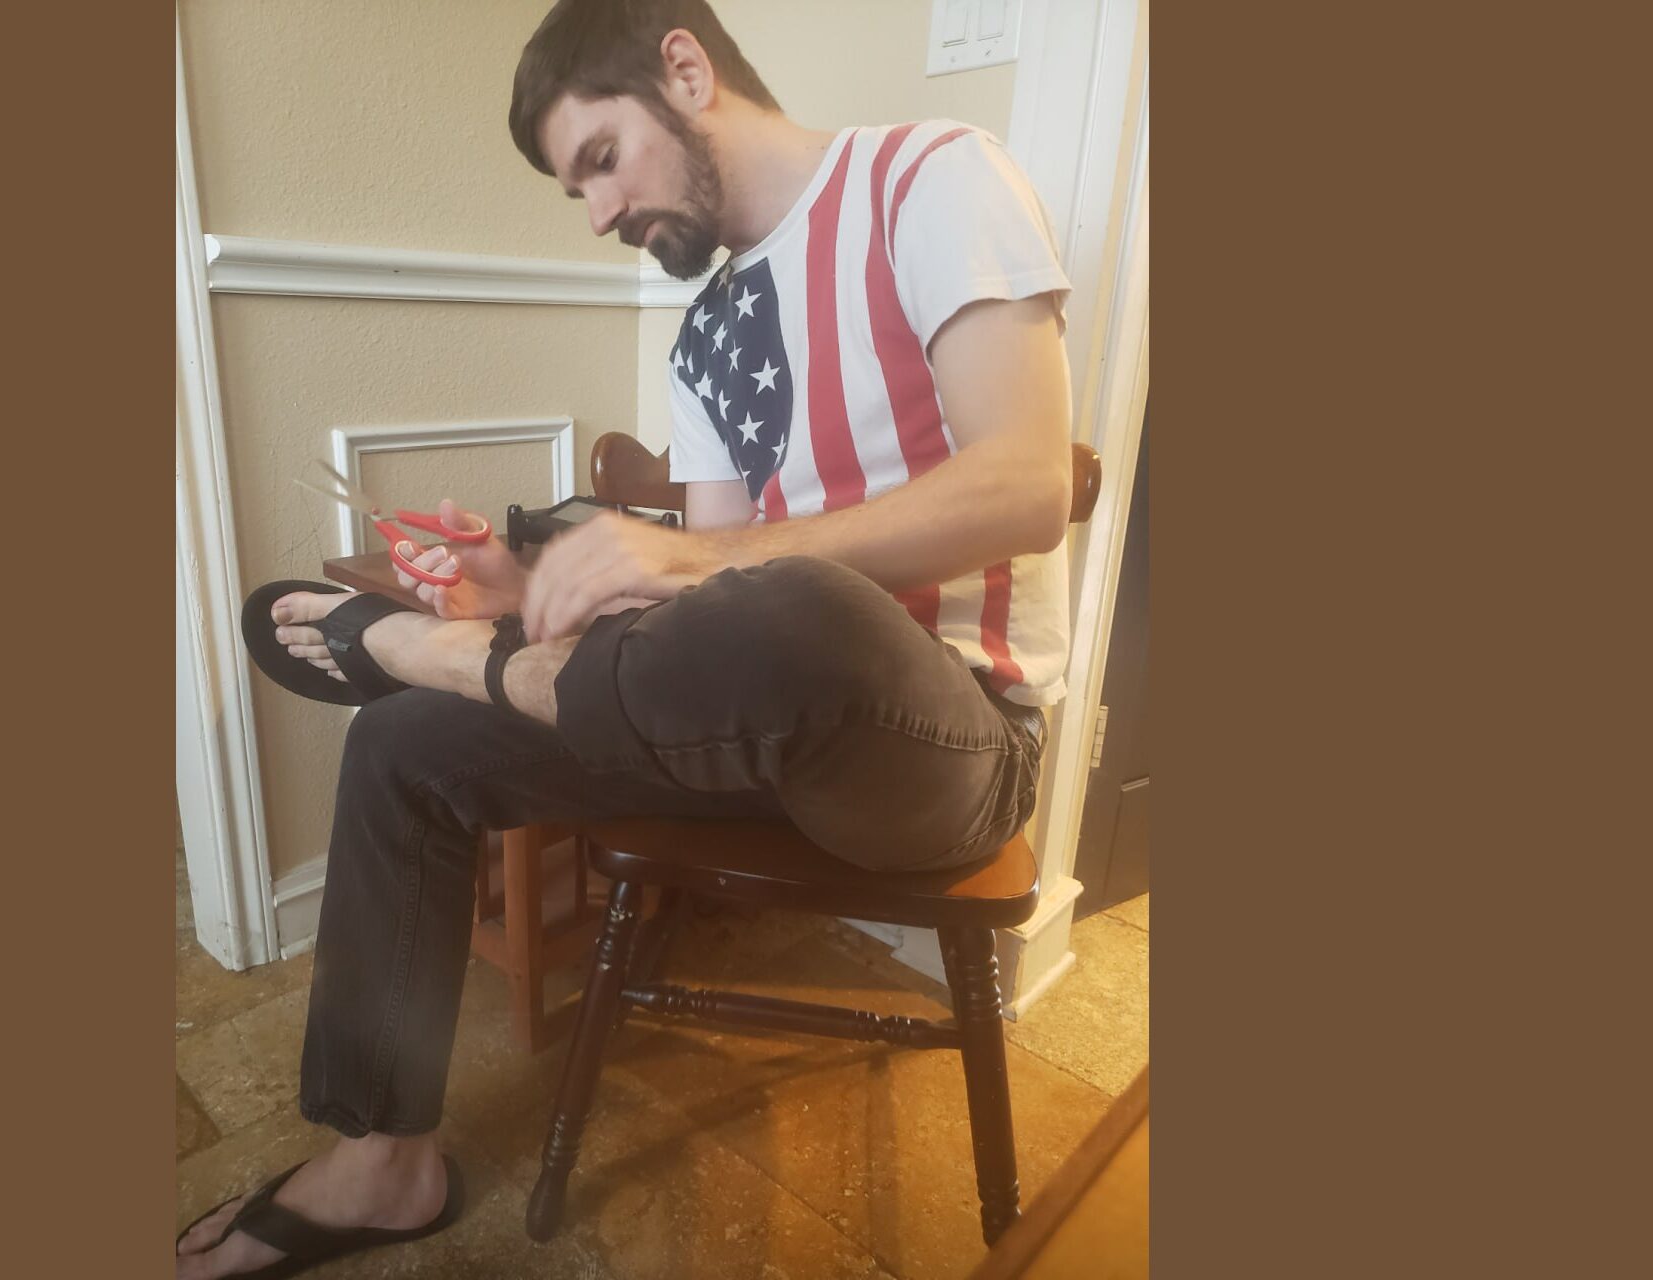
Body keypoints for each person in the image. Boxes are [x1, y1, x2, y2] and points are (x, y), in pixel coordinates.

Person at [175, 1, 1076, 1275]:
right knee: (402, 735)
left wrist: (696, 559)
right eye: (572, 191)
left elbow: (1028, 483)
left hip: (951, 744)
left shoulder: (930, 182)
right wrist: (520, 581)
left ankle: (470, 662)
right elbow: (697, 615)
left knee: (796, 607)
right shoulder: (708, 332)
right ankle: (384, 1158)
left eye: (596, 159)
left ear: (685, 69)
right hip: (761, 731)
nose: (594, 214)